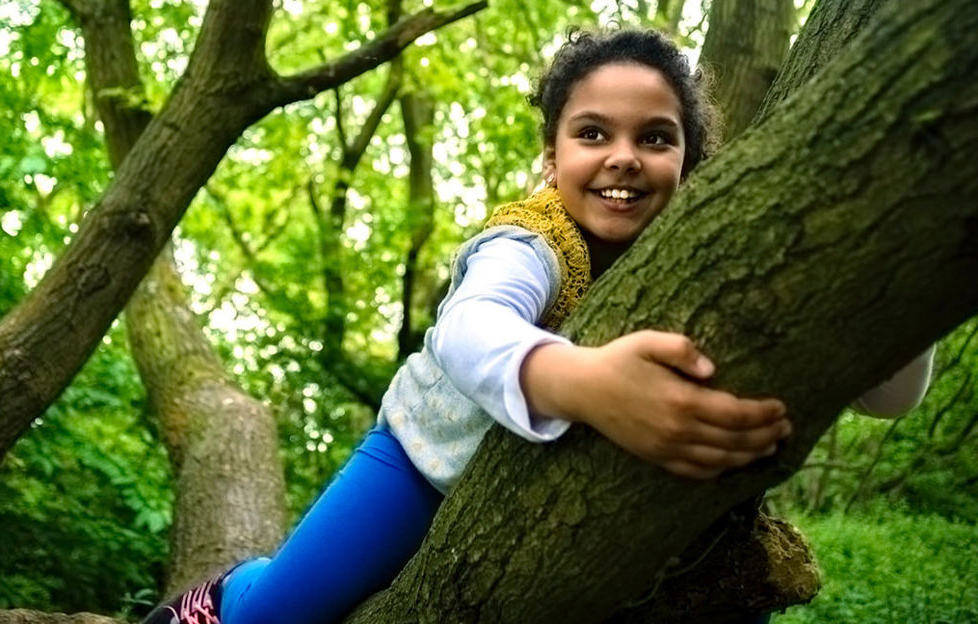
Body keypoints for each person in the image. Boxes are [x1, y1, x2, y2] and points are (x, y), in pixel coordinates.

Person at [141, 29, 935, 624]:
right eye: (593, 134)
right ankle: (232, 589)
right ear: (552, 160)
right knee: (276, 616)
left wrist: (901, 278)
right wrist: (585, 382)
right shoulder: (532, 240)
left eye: (656, 138)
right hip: (422, 463)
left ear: (691, 163)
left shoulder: (714, 264)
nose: (623, 156)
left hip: (589, 509)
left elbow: (889, 395)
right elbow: (470, 327)